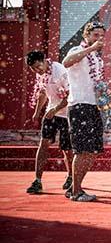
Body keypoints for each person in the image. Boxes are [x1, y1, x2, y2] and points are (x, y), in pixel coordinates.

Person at [62, 21, 106, 202]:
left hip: (93, 106)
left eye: (102, 36)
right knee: (82, 150)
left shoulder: (97, 58)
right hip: (79, 105)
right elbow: (66, 62)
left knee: (93, 150)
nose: (99, 39)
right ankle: (76, 192)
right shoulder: (76, 50)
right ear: (86, 36)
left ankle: (75, 187)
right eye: (96, 35)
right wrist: (90, 48)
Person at [25, 51, 72, 194]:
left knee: (67, 149)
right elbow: (43, 92)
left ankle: (71, 177)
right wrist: (37, 112)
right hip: (51, 112)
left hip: (66, 114)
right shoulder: (40, 74)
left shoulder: (60, 71)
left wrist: (56, 108)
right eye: (34, 68)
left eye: (39, 66)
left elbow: (70, 95)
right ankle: (37, 180)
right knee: (43, 143)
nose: (37, 70)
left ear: (45, 60)